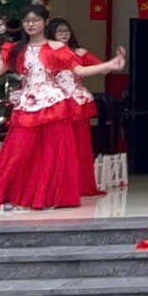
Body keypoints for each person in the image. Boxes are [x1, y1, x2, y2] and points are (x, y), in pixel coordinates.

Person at [0, 6, 125, 210]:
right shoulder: (17, 49)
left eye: (35, 20)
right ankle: (12, 196)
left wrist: (109, 65)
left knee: (52, 154)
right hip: (27, 104)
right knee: (18, 150)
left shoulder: (57, 47)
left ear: (45, 22)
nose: (31, 24)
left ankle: (49, 197)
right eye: (27, 21)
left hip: (53, 104)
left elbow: (79, 70)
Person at [47, 17, 106, 196]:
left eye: (66, 30)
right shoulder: (46, 53)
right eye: (59, 31)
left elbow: (101, 67)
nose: (64, 34)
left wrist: (113, 63)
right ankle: (57, 185)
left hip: (77, 103)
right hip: (53, 102)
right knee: (56, 146)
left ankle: (80, 185)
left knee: (80, 144)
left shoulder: (79, 52)